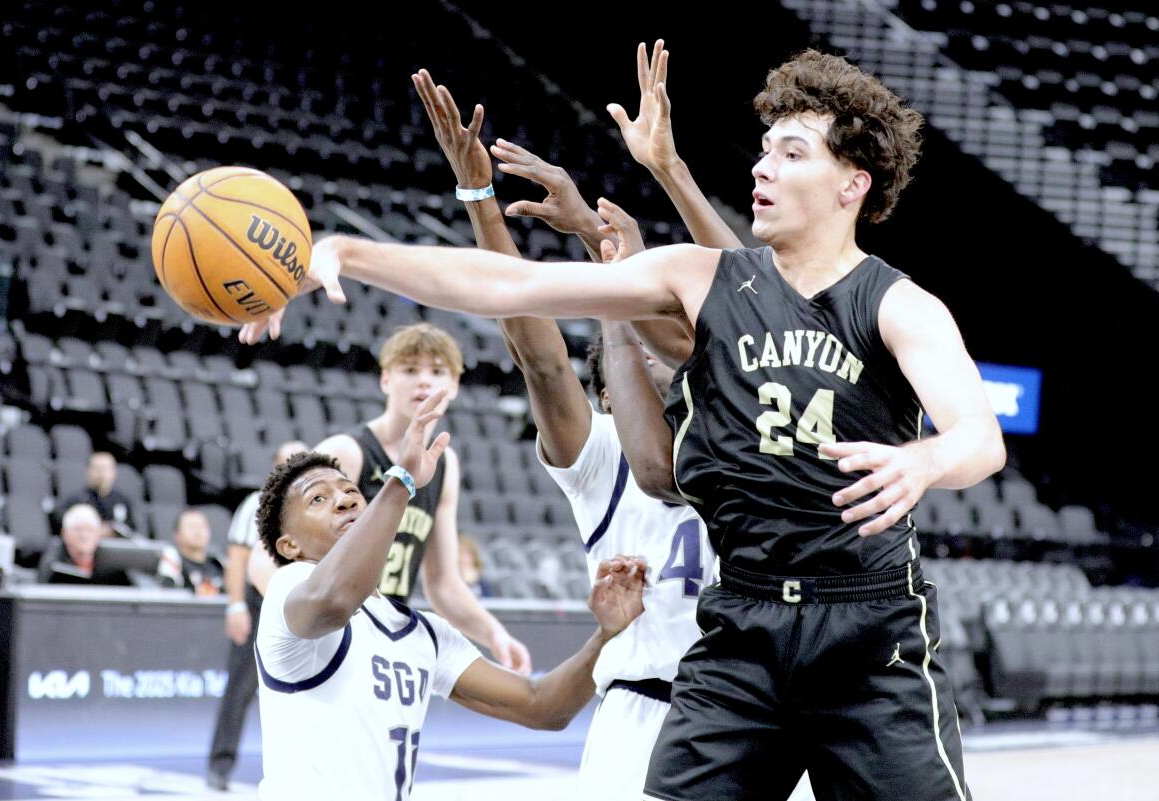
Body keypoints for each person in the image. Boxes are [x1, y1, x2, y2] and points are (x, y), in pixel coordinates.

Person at [243, 49, 1005, 801]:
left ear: (852, 183)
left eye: (792, 152)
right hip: (744, 619)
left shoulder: (898, 303)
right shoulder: (703, 279)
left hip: (867, 627)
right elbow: (514, 285)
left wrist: (927, 461)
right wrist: (346, 249)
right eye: (765, 149)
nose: (762, 167)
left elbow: (979, 436)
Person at [409, 67, 721, 801]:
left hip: (760, 712)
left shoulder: (736, 428)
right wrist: (482, 200)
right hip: (645, 716)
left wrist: (598, 234)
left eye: (660, 350)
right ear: (610, 391)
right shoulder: (604, 453)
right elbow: (542, 360)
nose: (651, 359)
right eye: (630, 359)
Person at [253, 389, 645, 800]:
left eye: (351, 492)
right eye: (318, 498)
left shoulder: (422, 633)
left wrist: (606, 636)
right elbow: (334, 601)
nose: (344, 500)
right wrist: (401, 479)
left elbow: (542, 706)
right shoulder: (287, 590)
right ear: (289, 546)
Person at [314, 324, 531, 673]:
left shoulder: (446, 464)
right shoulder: (347, 453)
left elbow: (443, 584)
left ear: (455, 386)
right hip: (332, 634)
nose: (425, 381)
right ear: (386, 380)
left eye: (438, 371)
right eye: (410, 370)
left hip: (386, 637)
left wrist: (495, 635)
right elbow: (293, 556)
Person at [206, 439, 305, 791]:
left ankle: (300, 770)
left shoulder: (315, 505)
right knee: (241, 686)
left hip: (302, 603)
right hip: (259, 601)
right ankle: (220, 764)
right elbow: (238, 558)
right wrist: (235, 605)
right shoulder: (256, 503)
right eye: (289, 460)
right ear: (275, 466)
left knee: (305, 691)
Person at [59, 452, 136, 536]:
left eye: (105, 468)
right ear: (88, 472)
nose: (101, 473)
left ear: (114, 472)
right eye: (97, 468)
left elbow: (131, 530)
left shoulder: (123, 501)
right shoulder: (77, 500)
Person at [36, 503, 103, 583]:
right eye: (78, 530)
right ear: (64, 533)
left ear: (98, 534)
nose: (84, 535)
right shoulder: (52, 565)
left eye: (89, 530)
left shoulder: (109, 565)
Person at [167, 509, 224, 596]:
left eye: (203, 526)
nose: (198, 532)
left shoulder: (220, 563)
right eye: (192, 527)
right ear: (177, 535)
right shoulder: (172, 562)